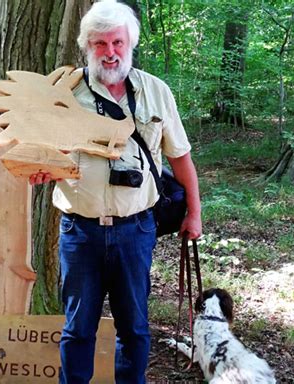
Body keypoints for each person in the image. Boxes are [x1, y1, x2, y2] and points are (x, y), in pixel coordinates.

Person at [30, 1, 201, 382]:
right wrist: (40, 169)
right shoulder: (63, 93)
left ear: (131, 44)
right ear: (87, 47)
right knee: (77, 331)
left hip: (136, 230)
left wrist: (194, 213)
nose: (110, 53)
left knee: (135, 330)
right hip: (80, 231)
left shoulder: (156, 92)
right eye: (100, 44)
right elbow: (43, 154)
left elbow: (181, 158)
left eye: (118, 43)